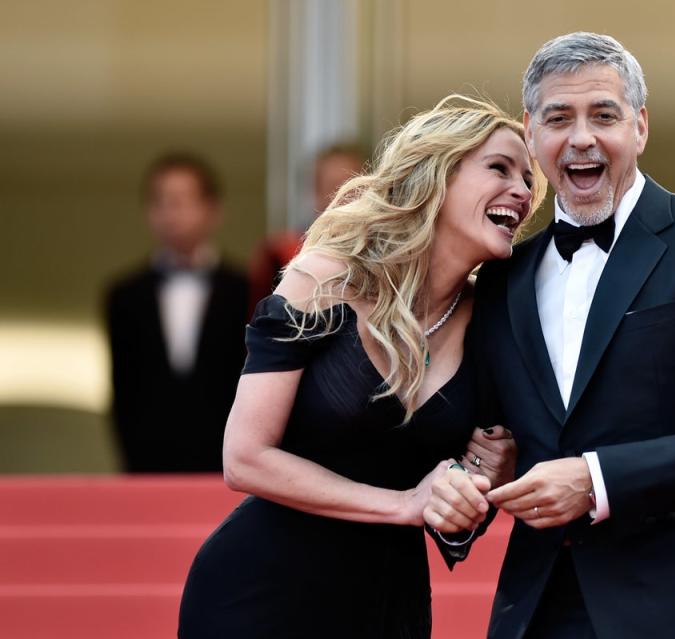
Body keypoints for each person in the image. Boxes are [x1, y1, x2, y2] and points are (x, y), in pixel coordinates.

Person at [459, 32, 675, 638]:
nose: (582, 137)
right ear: (531, 135)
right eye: (559, 118)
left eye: (604, 115)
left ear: (639, 127)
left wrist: (595, 479)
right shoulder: (500, 279)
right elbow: (492, 435)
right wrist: (475, 475)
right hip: (542, 610)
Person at [178, 96, 545, 638]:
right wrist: (405, 504)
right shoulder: (325, 278)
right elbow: (244, 458)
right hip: (258, 594)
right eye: (499, 168)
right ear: (437, 177)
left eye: (527, 179)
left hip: (386, 606)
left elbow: (453, 529)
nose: (523, 191)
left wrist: (477, 487)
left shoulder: (495, 324)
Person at [106, 153, 249, 472]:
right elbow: (122, 392)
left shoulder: (248, 290)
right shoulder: (124, 296)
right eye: (161, 202)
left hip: (230, 466)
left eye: (182, 201)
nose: (171, 214)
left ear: (213, 210)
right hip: (147, 467)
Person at [247, 143, 366, 312]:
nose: (347, 197)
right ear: (315, 193)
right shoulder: (281, 254)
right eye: (335, 188)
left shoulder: (387, 257)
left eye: (355, 188)